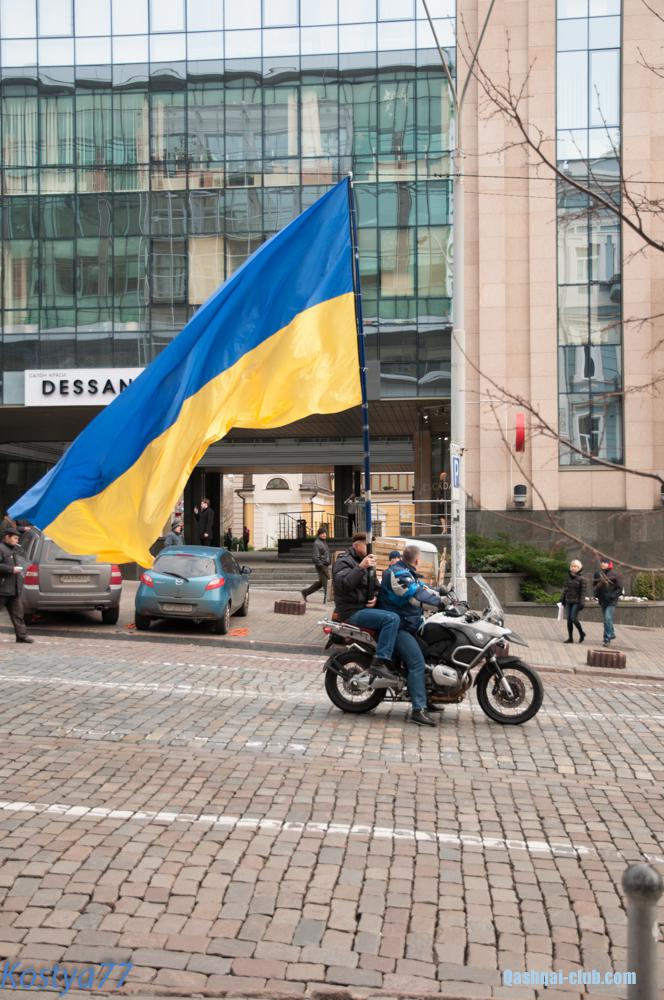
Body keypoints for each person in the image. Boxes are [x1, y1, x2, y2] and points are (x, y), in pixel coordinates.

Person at [379, 544, 447, 727]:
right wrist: (442, 604)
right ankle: (418, 710)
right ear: (417, 560)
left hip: (410, 624)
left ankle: (426, 698)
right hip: (399, 627)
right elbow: (415, 594)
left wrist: (442, 593)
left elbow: (423, 588)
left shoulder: (408, 572)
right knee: (416, 663)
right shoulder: (399, 573)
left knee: (429, 656)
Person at [332, 532, 401, 688]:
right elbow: (344, 585)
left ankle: (394, 662)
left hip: (364, 609)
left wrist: (375, 597)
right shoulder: (343, 561)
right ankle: (380, 662)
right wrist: (361, 567)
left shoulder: (368, 562)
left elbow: (376, 587)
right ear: (356, 545)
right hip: (351, 611)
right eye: (366, 544)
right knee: (391, 619)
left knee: (397, 616)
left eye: (371, 544)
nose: (370, 547)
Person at [0, 524, 33, 644]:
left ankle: (21, 636)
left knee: (18, 614)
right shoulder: (1, 548)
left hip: (14, 589)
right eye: (15, 538)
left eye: (18, 539)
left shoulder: (15, 549)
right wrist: (11, 569)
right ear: (7, 537)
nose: (17, 541)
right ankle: (22, 636)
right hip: (2, 589)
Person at [593, 557, 622, 647]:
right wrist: (596, 595)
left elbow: (619, 589)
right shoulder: (598, 574)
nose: (603, 564)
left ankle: (607, 638)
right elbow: (594, 586)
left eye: (605, 562)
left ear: (609, 564)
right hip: (602, 600)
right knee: (607, 619)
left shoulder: (615, 574)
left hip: (611, 601)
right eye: (602, 562)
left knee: (607, 618)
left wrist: (612, 596)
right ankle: (611, 633)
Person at [301, 527, 331, 604]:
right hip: (321, 565)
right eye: (322, 533)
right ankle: (326, 600)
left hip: (324, 564)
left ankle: (305, 592)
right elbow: (315, 557)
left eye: (325, 533)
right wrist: (321, 565)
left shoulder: (323, 542)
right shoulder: (317, 543)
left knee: (321, 582)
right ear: (319, 534)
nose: (324, 535)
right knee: (327, 582)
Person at [561, 559, 586, 643]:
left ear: (579, 568)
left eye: (576, 566)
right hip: (568, 600)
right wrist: (562, 598)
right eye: (572, 566)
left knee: (573, 618)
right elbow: (565, 589)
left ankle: (581, 633)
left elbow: (583, 592)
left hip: (577, 601)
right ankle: (570, 638)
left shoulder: (582, 578)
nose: (574, 568)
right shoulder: (568, 577)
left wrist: (582, 603)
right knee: (569, 620)